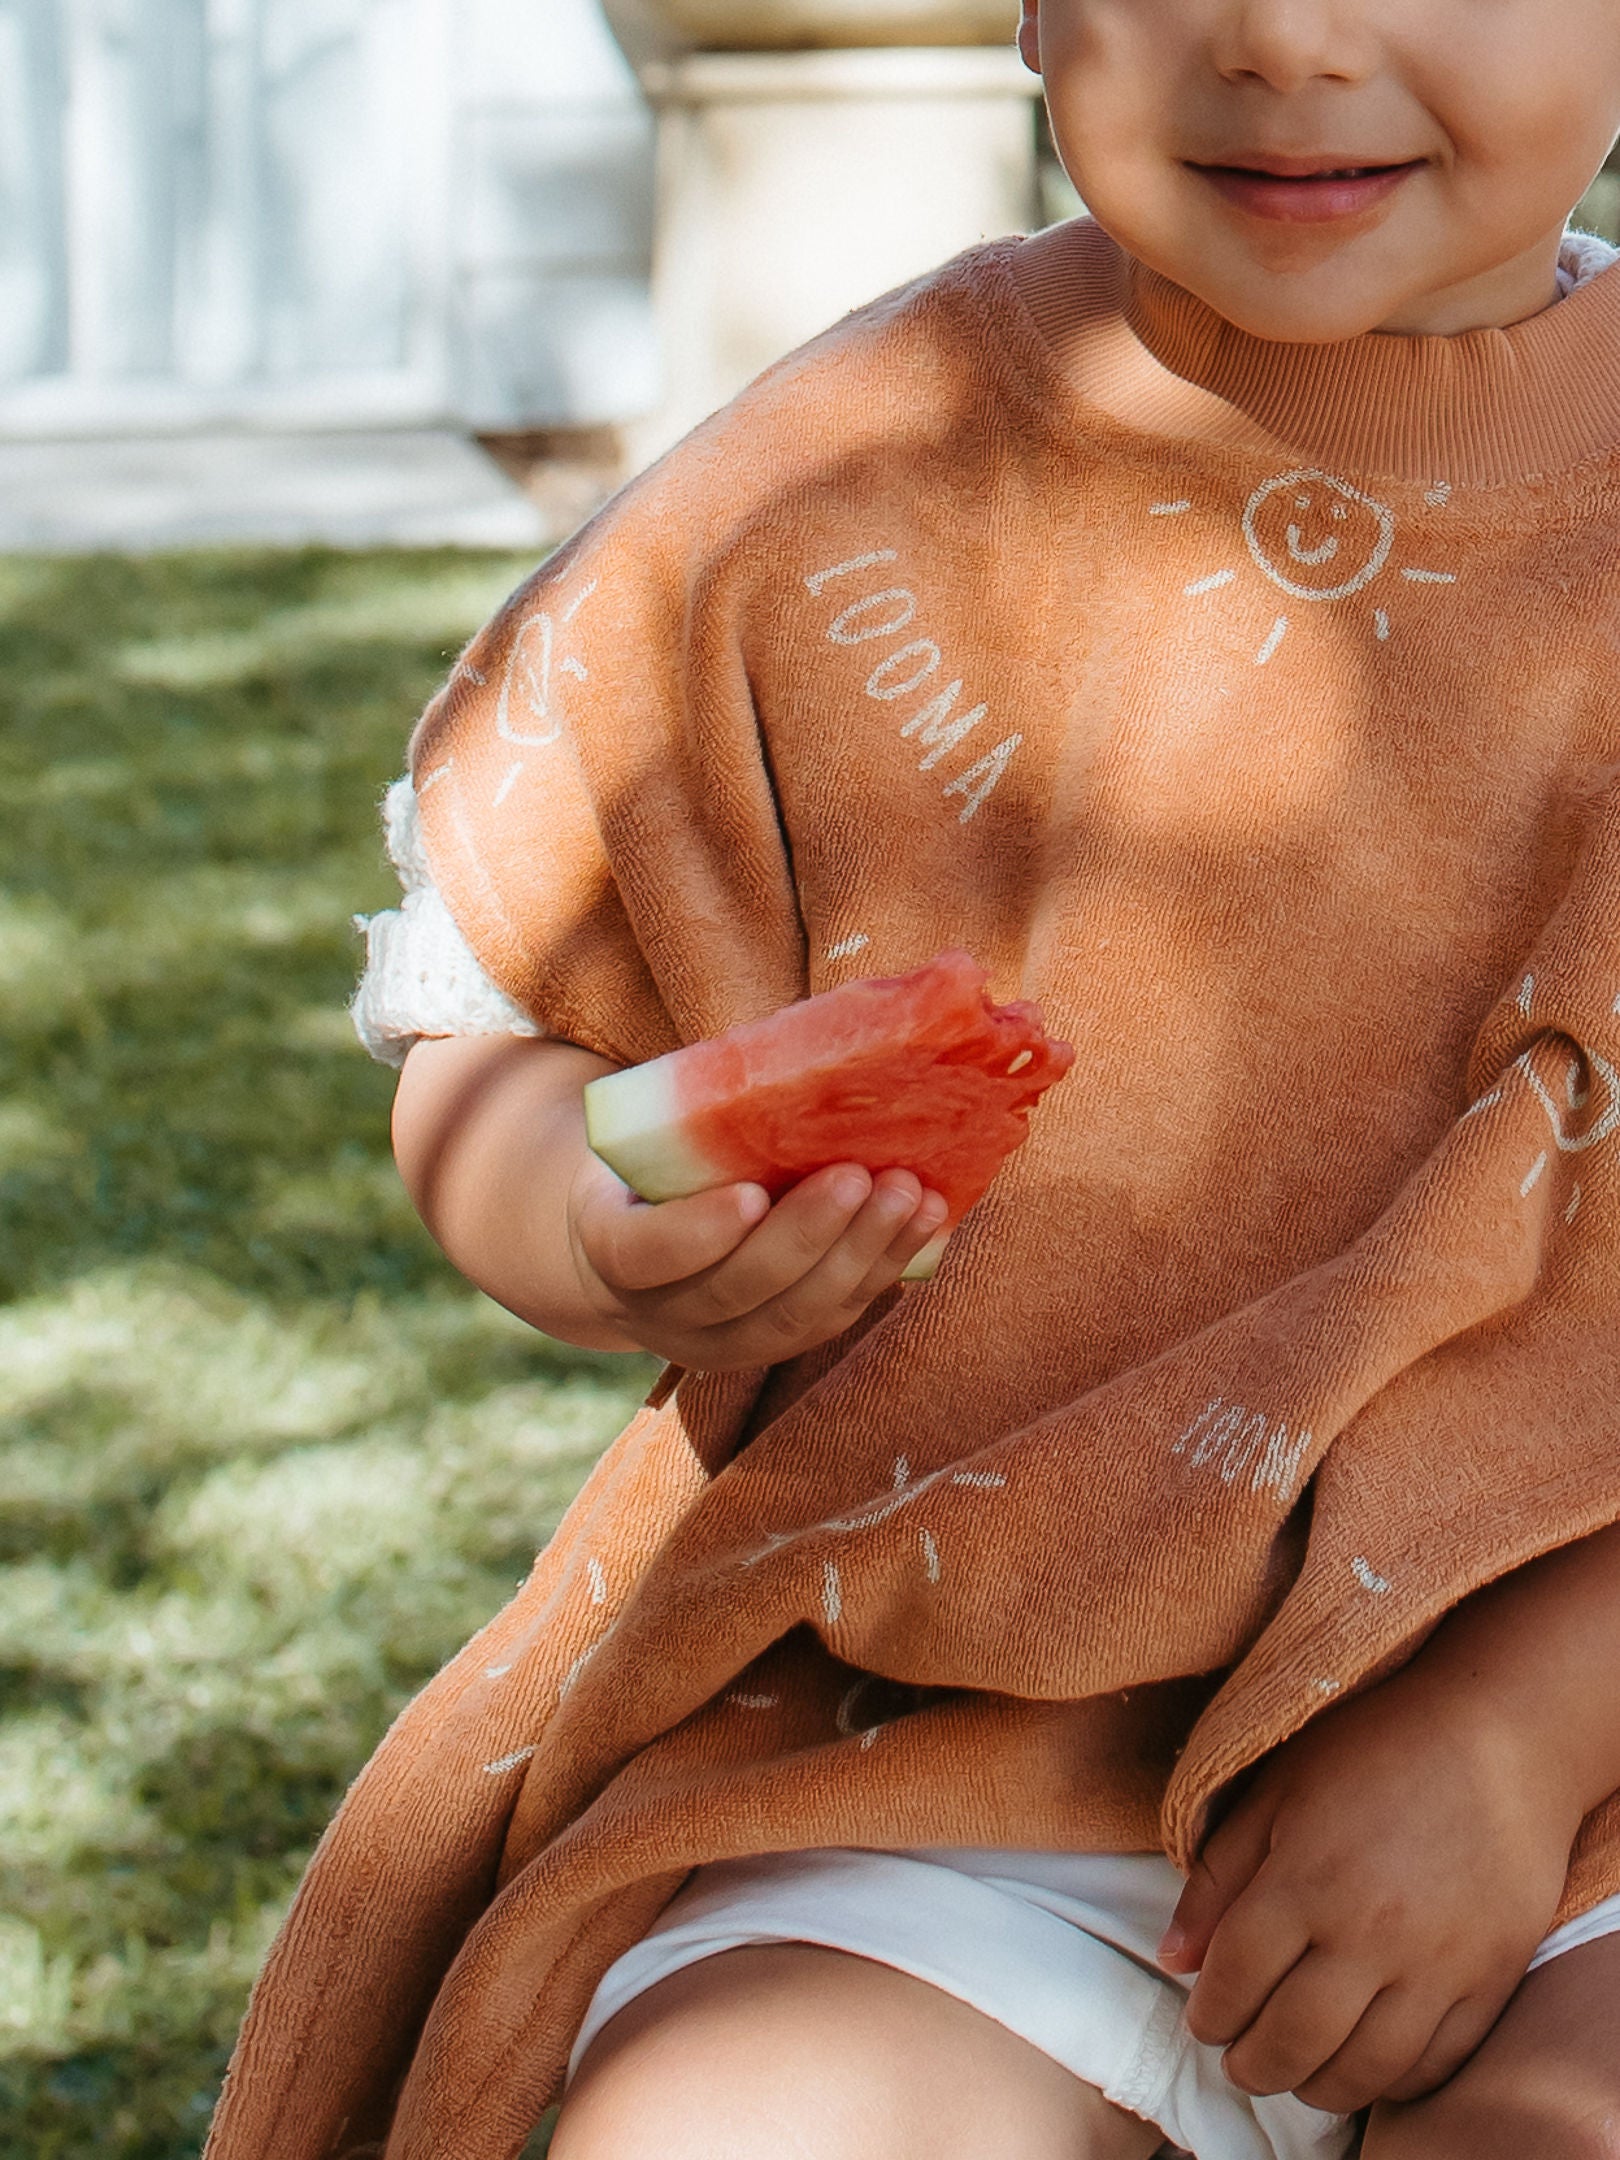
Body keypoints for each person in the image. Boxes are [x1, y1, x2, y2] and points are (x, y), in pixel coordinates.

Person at [208, 5, 1620, 2158]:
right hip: (924, 1756)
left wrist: (1527, 1727)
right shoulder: (855, 480)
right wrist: (593, 1222)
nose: (1288, 41)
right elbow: (499, 1028)